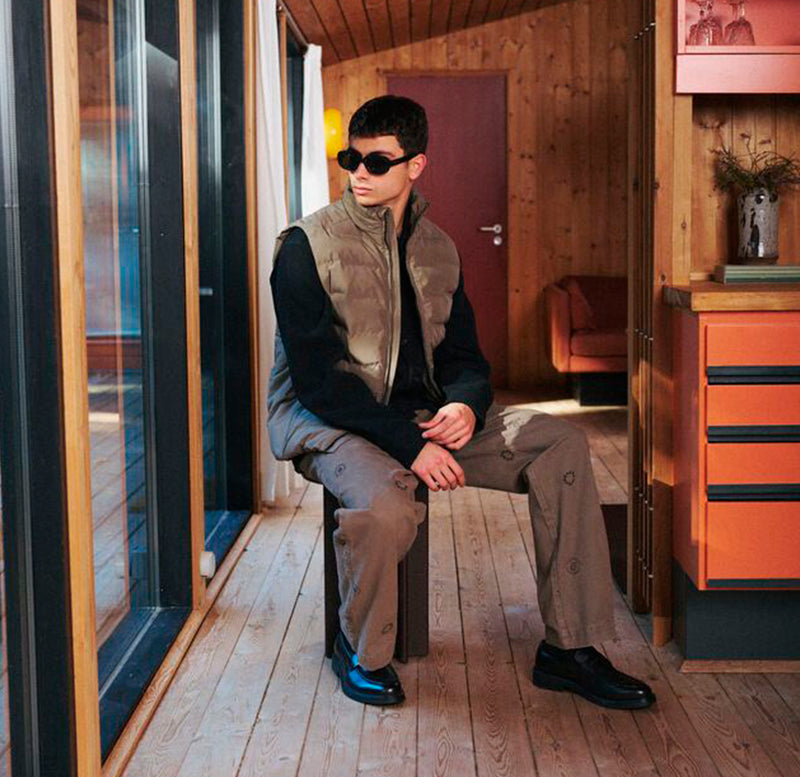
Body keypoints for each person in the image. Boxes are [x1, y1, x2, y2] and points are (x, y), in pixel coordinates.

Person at [268, 95, 655, 711]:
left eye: (377, 162)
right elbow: (319, 382)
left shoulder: (439, 249)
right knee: (385, 510)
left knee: (560, 443)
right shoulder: (304, 247)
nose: (360, 173)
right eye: (350, 159)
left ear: (415, 165)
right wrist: (411, 446)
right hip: (335, 421)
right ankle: (360, 652)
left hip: (425, 417)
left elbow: (466, 358)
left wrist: (468, 406)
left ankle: (569, 649)